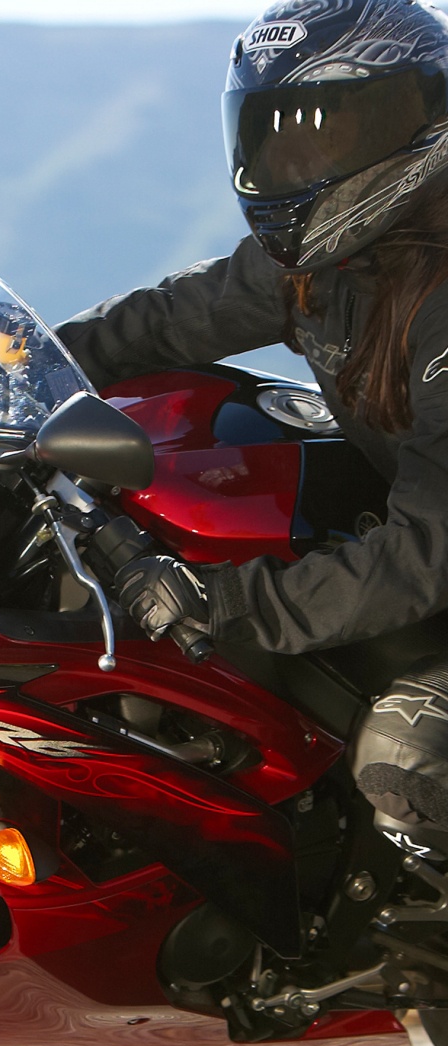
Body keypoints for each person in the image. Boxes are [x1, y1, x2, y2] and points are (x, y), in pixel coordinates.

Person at [55, 0, 448, 658]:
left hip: (427, 561)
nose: (284, 158)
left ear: (397, 122)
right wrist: (4, 367)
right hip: (412, 553)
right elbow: (162, 320)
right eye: (268, 130)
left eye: (319, 128)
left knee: (400, 751)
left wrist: (232, 604)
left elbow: (427, 550)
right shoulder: (329, 264)